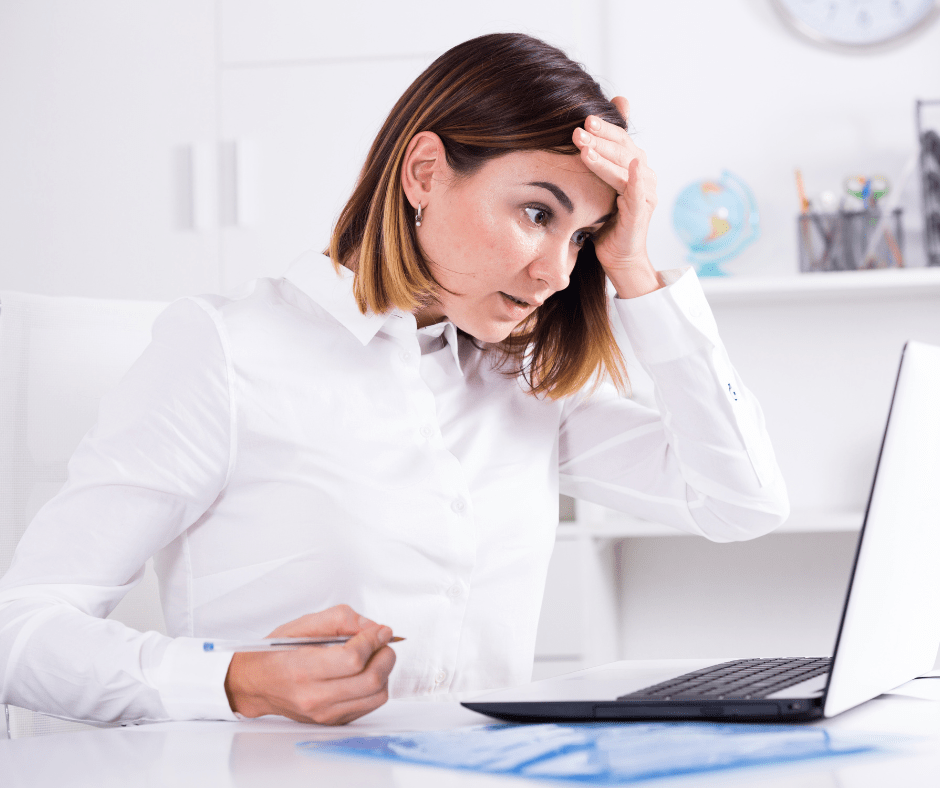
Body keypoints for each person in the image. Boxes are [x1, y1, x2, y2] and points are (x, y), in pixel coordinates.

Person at [0, 33, 788, 727]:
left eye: (583, 236)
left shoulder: (528, 380)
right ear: (424, 172)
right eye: (537, 214)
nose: (555, 272)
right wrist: (235, 679)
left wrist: (636, 270)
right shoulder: (228, 353)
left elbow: (740, 501)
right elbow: (21, 630)